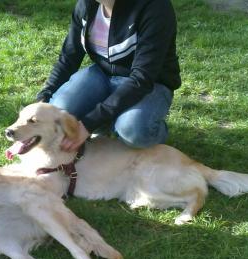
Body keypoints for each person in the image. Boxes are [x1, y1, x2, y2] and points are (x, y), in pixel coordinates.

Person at [36, 0, 181, 152]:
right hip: (102, 74)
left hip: (151, 83)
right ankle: (109, 121)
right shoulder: (85, 5)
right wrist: (43, 99)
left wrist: (88, 123)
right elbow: (69, 57)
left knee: (133, 130)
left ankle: (152, 131)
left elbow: (142, 78)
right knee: (58, 113)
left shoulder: (155, 6)